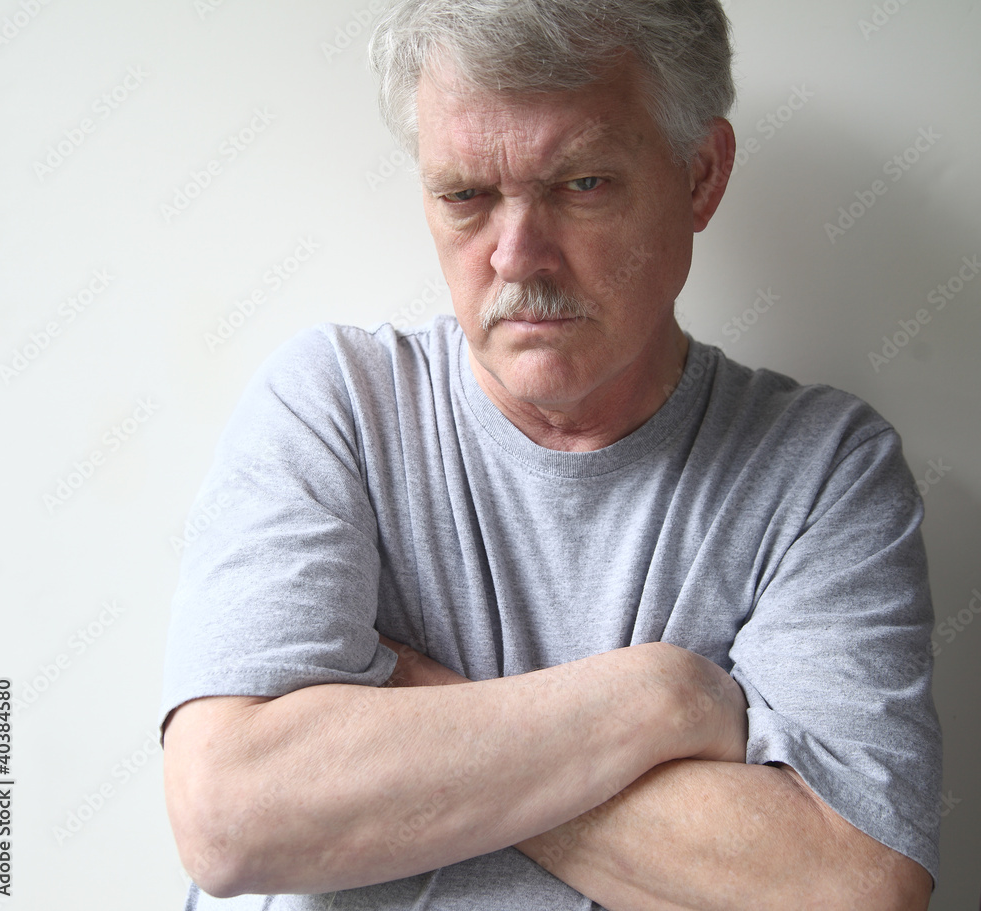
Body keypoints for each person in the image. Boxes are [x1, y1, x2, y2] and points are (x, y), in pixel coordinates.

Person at [160, 1, 941, 908]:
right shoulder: (334, 405)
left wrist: (416, 706)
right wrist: (663, 699)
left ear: (700, 175)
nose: (516, 256)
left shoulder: (820, 474)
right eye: (465, 196)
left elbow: (848, 888)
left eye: (582, 185)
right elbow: (229, 817)